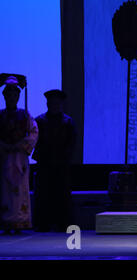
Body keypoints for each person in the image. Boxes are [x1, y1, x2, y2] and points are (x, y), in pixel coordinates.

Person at [32, 89, 76, 232]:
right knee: (43, 195)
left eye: (57, 102)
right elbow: (35, 142)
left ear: (61, 104)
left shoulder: (68, 122)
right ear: (47, 103)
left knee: (62, 194)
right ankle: (42, 223)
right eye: (52, 102)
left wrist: (64, 158)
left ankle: (63, 223)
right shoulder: (39, 120)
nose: (55, 105)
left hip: (61, 163)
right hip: (44, 163)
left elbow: (71, 142)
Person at [0, 76, 38, 234]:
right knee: (4, 190)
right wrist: (3, 146)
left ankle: (19, 221)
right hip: (3, 157)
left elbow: (33, 132)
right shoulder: (0, 115)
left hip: (19, 157)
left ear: (18, 97)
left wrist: (21, 145)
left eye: (14, 95)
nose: (11, 97)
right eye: (8, 95)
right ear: (4, 96)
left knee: (20, 189)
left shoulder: (25, 115)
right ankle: (5, 222)